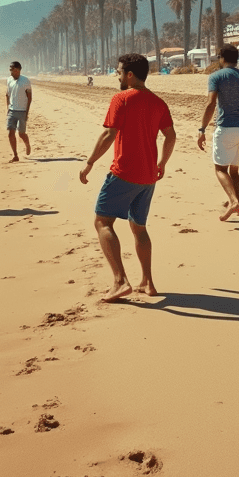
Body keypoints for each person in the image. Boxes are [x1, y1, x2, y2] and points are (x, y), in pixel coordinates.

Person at [79, 52, 176, 303]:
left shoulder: (121, 98)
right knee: (139, 227)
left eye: (119, 71)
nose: (117, 75)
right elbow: (171, 135)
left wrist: (89, 162)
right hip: (148, 177)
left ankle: (120, 281)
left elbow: (108, 135)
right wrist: (162, 163)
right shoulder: (158, 102)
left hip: (124, 173)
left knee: (103, 223)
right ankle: (148, 282)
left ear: (130, 75)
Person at [197, 44, 239, 223]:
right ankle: (238, 205)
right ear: (237, 59)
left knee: (220, 169)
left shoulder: (216, 77)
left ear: (221, 58)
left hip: (227, 128)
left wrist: (202, 129)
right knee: (234, 171)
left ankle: (234, 201)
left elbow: (211, 104)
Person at [6, 60, 32, 162]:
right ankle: (15, 155)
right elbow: (7, 94)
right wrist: (8, 108)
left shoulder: (26, 81)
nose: (11, 72)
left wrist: (27, 112)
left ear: (18, 70)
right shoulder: (9, 80)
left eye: (12, 70)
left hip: (22, 111)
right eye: (10, 70)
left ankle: (27, 144)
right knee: (10, 133)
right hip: (12, 110)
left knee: (21, 134)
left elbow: (29, 97)